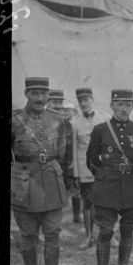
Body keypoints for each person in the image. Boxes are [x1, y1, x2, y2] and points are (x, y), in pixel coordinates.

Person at [11, 77, 71, 265]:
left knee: (53, 232)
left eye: (43, 94)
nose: (39, 98)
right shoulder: (15, 120)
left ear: (48, 95)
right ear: (26, 93)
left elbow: (63, 153)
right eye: (34, 93)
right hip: (24, 183)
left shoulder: (58, 119)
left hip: (51, 182)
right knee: (28, 235)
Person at [87, 89, 133, 265]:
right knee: (105, 232)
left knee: (128, 230)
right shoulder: (100, 130)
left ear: (132, 106)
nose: (124, 109)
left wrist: (130, 175)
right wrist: (105, 176)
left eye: (127, 104)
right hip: (107, 188)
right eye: (119, 104)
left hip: (131, 187)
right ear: (112, 105)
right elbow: (91, 160)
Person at [71, 87, 110, 249]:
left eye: (86, 100)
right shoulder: (75, 123)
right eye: (80, 101)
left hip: (104, 169)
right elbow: (74, 150)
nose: (83, 103)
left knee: (107, 203)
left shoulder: (105, 118)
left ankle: (108, 235)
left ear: (92, 99)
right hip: (85, 170)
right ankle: (89, 236)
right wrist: (76, 174)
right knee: (88, 204)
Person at [47, 89, 77, 221]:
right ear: (48, 102)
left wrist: (69, 167)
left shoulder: (67, 123)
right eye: (55, 102)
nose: (58, 106)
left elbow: (70, 148)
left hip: (62, 166)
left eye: (60, 102)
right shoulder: (41, 119)